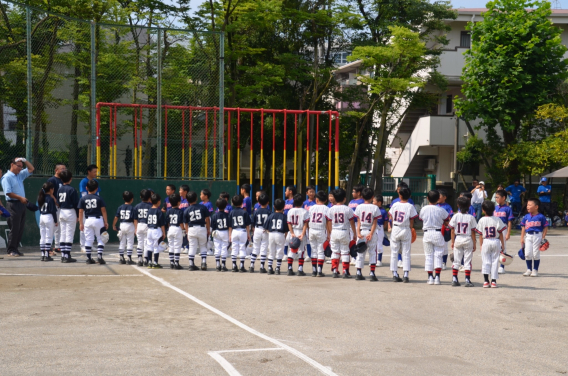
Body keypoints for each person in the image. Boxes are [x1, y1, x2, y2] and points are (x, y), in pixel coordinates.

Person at [2, 157, 34, 257]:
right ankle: (11, 250)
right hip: (13, 204)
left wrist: (24, 160)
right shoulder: (7, 177)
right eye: (18, 166)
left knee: (20, 228)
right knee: (14, 228)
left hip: (21, 204)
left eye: (21, 166)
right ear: (12, 165)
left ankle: (15, 249)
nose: (21, 168)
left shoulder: (19, 175)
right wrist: (20, 198)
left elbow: (31, 169)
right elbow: (8, 193)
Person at [421, 190, 451, 285]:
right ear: (438, 199)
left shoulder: (423, 209)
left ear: (427, 198)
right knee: (438, 255)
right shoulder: (441, 210)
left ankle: (430, 277)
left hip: (427, 233)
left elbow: (421, 218)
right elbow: (447, 222)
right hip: (438, 233)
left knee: (428, 256)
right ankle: (437, 277)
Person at [388, 186, 418, 283]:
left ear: (399, 195)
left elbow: (391, 216)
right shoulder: (410, 206)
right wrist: (411, 228)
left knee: (394, 252)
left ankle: (395, 274)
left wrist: (391, 226)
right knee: (406, 252)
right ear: (409, 196)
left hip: (396, 228)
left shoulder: (395, 204)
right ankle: (405, 275)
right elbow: (412, 219)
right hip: (405, 228)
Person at [475, 201, 506, 288]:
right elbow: (500, 233)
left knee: (485, 261)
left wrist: (481, 245)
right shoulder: (497, 219)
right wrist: (502, 245)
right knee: (495, 261)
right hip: (496, 241)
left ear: (483, 210)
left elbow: (480, 234)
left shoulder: (481, 220)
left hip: (486, 241)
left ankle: (485, 281)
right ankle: (493, 282)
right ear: (494, 210)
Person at [327, 188, 357, 279]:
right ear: (344, 198)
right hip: (344, 231)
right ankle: (345, 271)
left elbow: (328, 222)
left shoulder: (331, 209)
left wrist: (330, 233)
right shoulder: (348, 209)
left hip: (334, 231)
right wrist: (354, 234)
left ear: (335, 198)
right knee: (345, 252)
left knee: (335, 251)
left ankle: (335, 270)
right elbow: (352, 222)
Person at [449, 197, 477, 287]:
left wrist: (452, 241)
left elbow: (452, 230)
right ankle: (467, 280)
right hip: (468, 238)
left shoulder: (456, 216)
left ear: (458, 206)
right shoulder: (471, 217)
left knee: (456, 260)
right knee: (467, 260)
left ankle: (454, 279)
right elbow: (473, 231)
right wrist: (474, 243)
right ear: (469, 206)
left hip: (458, 238)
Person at [78, 180, 108, 265]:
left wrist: (81, 223)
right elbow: (104, 211)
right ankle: (99, 256)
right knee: (101, 238)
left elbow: (80, 211)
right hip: (98, 220)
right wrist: (106, 222)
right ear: (97, 189)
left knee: (89, 240)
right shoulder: (99, 198)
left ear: (86, 188)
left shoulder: (83, 198)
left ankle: (89, 258)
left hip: (87, 220)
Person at [354, 187, 380, 281]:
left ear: (361, 196)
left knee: (360, 253)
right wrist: (371, 234)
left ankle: (358, 273)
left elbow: (358, 221)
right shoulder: (375, 207)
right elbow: (374, 222)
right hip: (370, 231)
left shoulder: (359, 207)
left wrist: (358, 233)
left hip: (361, 231)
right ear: (372, 197)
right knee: (372, 252)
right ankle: (372, 273)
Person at [520, 198, 549, 277]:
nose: (527, 206)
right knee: (527, 253)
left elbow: (545, 227)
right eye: (527, 205)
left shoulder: (541, 216)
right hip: (528, 235)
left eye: (530, 205)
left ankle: (535, 269)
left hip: (537, 235)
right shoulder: (526, 216)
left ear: (536, 207)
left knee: (536, 253)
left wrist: (543, 237)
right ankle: (529, 269)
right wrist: (522, 237)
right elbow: (523, 227)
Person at [183, 191, 211, 271]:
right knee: (203, 245)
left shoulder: (187, 210)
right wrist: (208, 229)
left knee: (192, 246)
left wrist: (187, 232)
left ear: (187, 200)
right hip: (202, 228)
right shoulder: (202, 207)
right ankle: (203, 262)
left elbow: (186, 223)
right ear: (196, 198)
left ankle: (191, 265)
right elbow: (207, 219)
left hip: (191, 228)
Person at [57, 170, 79, 263]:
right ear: (70, 179)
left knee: (63, 233)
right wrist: (78, 215)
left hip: (62, 211)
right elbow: (76, 204)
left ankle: (63, 255)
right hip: (70, 212)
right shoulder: (72, 189)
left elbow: (58, 202)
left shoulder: (59, 189)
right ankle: (67, 255)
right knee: (69, 234)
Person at [308, 190, 331, 277]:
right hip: (321, 230)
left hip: (312, 230)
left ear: (316, 199)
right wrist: (329, 234)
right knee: (321, 251)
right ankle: (319, 271)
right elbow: (328, 223)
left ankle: (314, 271)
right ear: (326, 200)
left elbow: (307, 220)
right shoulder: (327, 209)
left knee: (314, 250)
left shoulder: (311, 208)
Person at [286, 194, 309, 276]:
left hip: (292, 232)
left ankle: (289, 269)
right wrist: (303, 234)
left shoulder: (290, 211)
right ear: (302, 202)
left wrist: (292, 233)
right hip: (300, 231)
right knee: (301, 251)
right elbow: (305, 224)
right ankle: (300, 269)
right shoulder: (305, 211)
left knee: (292, 250)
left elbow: (289, 223)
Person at [263, 199, 288, 274]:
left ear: (274, 206)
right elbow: (286, 230)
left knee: (271, 251)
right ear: (284, 207)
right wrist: (285, 238)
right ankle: (277, 268)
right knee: (280, 252)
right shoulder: (284, 216)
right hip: (280, 234)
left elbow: (266, 227)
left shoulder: (271, 215)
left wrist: (268, 232)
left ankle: (270, 268)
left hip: (271, 234)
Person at [227, 195, 251, 272]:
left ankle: (234, 266)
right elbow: (247, 225)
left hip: (234, 231)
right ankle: (241, 266)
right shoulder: (244, 212)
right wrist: (248, 234)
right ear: (242, 203)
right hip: (242, 231)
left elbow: (230, 226)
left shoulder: (231, 212)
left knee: (234, 248)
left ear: (233, 203)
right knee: (242, 248)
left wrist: (230, 235)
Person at [79, 164, 99, 252]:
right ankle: (83, 245)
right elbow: (83, 195)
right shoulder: (83, 182)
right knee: (83, 226)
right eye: (94, 172)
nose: (95, 173)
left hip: (94, 208)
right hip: (85, 208)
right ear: (89, 172)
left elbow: (98, 194)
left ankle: (90, 244)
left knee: (93, 226)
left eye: (96, 171)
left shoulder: (95, 181)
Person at [47, 163, 65, 255]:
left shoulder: (63, 180)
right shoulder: (52, 180)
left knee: (59, 227)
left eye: (65, 169)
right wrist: (56, 202)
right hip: (54, 207)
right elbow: (49, 193)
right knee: (53, 227)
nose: (64, 170)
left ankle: (57, 246)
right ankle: (48, 248)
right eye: (62, 169)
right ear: (56, 170)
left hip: (61, 207)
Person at [113, 191, 135, 265]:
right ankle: (129, 258)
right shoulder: (132, 208)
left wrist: (113, 225)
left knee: (122, 242)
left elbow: (116, 217)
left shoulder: (120, 207)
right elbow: (135, 219)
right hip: (130, 225)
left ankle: (121, 258)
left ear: (123, 198)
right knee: (130, 242)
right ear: (132, 199)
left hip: (122, 225)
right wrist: (136, 228)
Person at [494, 190, 513, 274]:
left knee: (503, 246)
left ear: (503, 198)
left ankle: (502, 266)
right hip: (494, 229)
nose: (496, 199)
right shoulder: (495, 208)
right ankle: (494, 266)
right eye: (495, 197)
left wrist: (508, 233)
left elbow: (509, 221)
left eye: (497, 197)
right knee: (494, 246)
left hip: (503, 228)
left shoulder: (507, 209)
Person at [38, 182, 58, 262]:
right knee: (49, 236)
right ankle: (47, 255)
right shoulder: (50, 198)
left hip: (42, 216)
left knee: (42, 236)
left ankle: (43, 254)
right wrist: (56, 221)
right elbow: (53, 211)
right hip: (49, 217)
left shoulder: (40, 197)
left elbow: (39, 209)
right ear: (51, 189)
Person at [251, 193, 270, 273]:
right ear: (268, 202)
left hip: (257, 229)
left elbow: (253, 222)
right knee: (264, 248)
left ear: (258, 202)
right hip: (265, 230)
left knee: (255, 247)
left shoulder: (256, 211)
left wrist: (253, 230)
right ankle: (262, 266)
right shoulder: (269, 212)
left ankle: (252, 265)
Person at [145, 193, 166, 269]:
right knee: (156, 247)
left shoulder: (149, 210)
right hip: (156, 230)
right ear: (158, 202)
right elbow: (162, 224)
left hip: (149, 230)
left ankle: (149, 262)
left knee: (149, 246)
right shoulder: (159, 211)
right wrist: (164, 232)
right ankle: (155, 263)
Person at [133, 189, 152, 266]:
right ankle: (145, 259)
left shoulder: (137, 206)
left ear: (140, 197)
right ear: (150, 197)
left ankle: (139, 259)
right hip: (147, 225)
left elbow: (135, 219)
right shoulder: (150, 206)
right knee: (146, 243)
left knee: (140, 242)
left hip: (139, 225)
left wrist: (135, 228)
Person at [166, 193, 185, 270]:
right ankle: (176, 263)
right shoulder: (180, 211)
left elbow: (167, 222)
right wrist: (183, 230)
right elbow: (180, 222)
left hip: (170, 228)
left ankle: (171, 263)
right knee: (177, 246)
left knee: (171, 246)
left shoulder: (168, 211)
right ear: (178, 202)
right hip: (177, 228)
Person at [211, 198, 230, 272]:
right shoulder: (227, 215)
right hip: (225, 231)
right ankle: (223, 265)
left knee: (217, 248)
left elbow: (213, 226)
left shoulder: (214, 215)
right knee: (224, 248)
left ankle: (218, 265)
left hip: (217, 232)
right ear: (225, 206)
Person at [348, 185, 365, 266]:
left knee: (357, 240)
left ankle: (357, 257)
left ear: (358, 193)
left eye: (353, 192)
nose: (352, 193)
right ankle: (353, 257)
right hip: (351, 223)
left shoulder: (362, 202)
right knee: (352, 240)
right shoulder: (351, 201)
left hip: (358, 223)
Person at [437, 189, 453, 270]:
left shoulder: (447, 206)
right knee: (436, 246)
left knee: (444, 246)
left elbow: (450, 217)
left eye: (439, 196)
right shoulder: (435, 205)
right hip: (436, 228)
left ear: (444, 197)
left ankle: (443, 262)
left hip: (445, 229)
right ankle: (437, 262)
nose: (438, 197)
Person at [373, 195, 388, 267]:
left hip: (379, 228)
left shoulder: (383, 211)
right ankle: (373, 260)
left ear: (379, 203)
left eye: (374, 201)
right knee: (372, 244)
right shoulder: (372, 209)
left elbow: (385, 221)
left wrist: (382, 228)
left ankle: (379, 260)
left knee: (379, 244)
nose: (373, 203)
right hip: (372, 228)